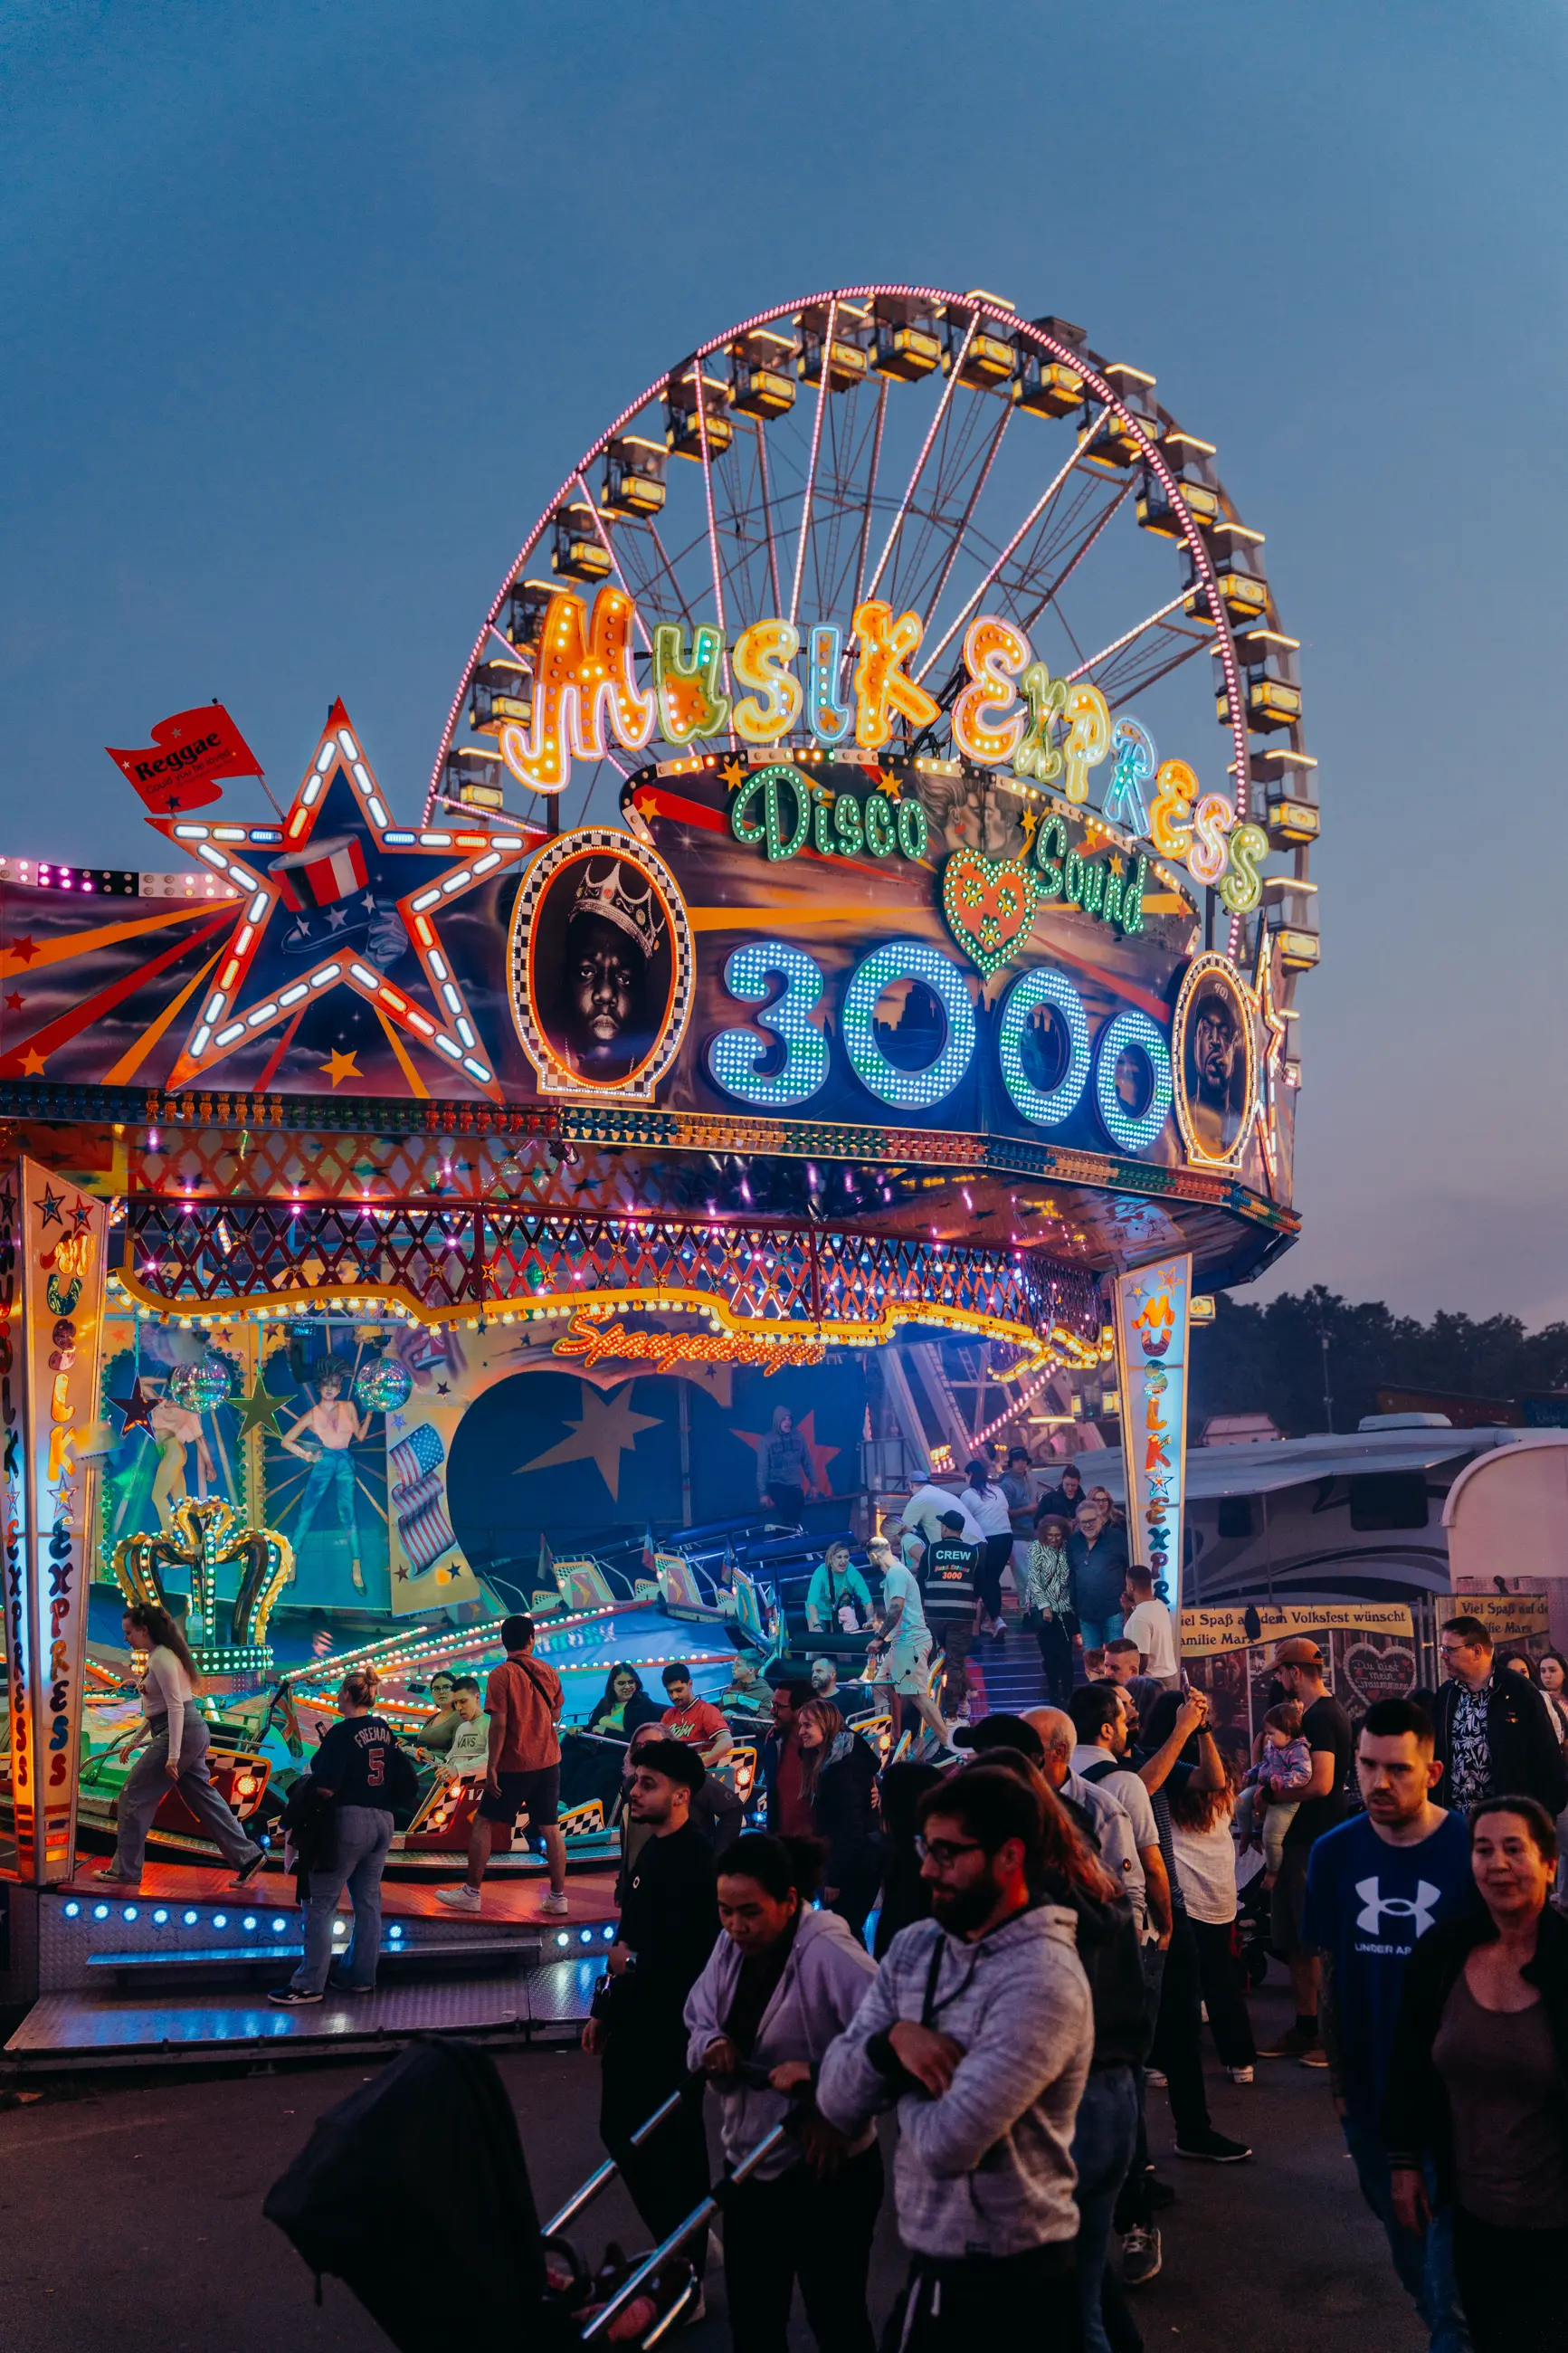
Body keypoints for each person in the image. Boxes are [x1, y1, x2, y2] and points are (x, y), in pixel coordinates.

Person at [817, 1767, 1094, 2350]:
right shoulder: (918, 1947)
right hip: (933, 2267)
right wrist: (893, 2042)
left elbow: (947, 2144)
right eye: (924, 1847)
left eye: (947, 1853)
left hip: (1019, 2281)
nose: (926, 1869)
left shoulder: (1043, 1980)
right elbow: (836, 2100)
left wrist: (885, 2076)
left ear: (1009, 1857)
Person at [1303, 1696, 1475, 2352]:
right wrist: (1340, 2083)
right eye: (1367, 1766)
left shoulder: (1470, 1847)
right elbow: (1334, 1975)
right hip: (1371, 2096)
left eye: (1397, 1769)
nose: (1378, 1783)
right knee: (1410, 2259)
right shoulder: (1333, 1854)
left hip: (1457, 2099)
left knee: (1450, 2281)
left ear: (1431, 1773)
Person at [1385, 1797, 1568, 2350]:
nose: (1498, 1864)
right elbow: (1410, 2063)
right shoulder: (1442, 1953)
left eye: (1515, 1849)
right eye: (1483, 1849)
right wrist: (1404, 2162)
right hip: (1469, 2218)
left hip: (1555, 2228)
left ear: (1550, 1864)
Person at [687, 1834, 881, 2353]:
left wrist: (829, 2099)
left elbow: (889, 2039)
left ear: (790, 1901)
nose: (735, 1926)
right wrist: (714, 2042)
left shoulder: (829, 1952)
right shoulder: (729, 1946)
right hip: (750, 2160)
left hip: (829, 2169)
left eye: (749, 1912)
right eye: (725, 1911)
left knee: (836, 2316)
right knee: (753, 2320)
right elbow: (699, 2011)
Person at [585, 1739, 720, 2293]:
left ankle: (684, 2260)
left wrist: (632, 1964)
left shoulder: (694, 1858)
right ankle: (684, 2242)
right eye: (635, 1780)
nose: (634, 1791)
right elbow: (629, 1933)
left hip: (670, 2030)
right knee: (629, 2133)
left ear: (681, 1795)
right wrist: (604, 2008)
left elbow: (696, 1954)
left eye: (648, 1784)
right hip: (634, 2021)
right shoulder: (654, 1848)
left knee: (665, 2144)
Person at [1131, 1686, 1251, 2163]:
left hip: (1178, 1902)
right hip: (1144, 1909)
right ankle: (1132, 2164)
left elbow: (1212, 1780)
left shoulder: (1150, 1754)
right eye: (1122, 1711)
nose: (1130, 1715)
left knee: (1185, 2012)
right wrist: (1185, 1728)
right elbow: (1139, 1788)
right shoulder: (1119, 1767)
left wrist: (1200, 1731)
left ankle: (1191, 2130)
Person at [96, 1602, 268, 1892]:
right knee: (204, 1799)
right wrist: (136, 1740)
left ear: (144, 1629)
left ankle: (125, 1870)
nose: (125, 1638)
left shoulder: (162, 1659)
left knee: (134, 1796)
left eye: (129, 1632)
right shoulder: (161, 1656)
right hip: (188, 1730)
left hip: (181, 1732)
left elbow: (176, 1707)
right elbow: (159, 1709)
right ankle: (248, 1856)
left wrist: (173, 1756)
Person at [270, 1668, 414, 2005]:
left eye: (339, 1691)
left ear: (347, 1695)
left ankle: (308, 1984)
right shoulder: (384, 1729)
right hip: (383, 1821)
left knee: (320, 1903)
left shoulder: (341, 1732)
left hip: (348, 1821)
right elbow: (402, 1780)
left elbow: (324, 1784)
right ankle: (360, 1976)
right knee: (368, 1902)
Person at [1258, 1635, 1354, 2062]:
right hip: (1307, 1838)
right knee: (1298, 1940)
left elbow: (1323, 1783)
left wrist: (1270, 1796)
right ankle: (1308, 2027)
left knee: (1310, 1940)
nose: (1278, 1680)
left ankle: (1323, 2033)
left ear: (1295, 1673)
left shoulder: (1318, 1718)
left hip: (1310, 1839)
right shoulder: (1317, 1714)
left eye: (1280, 1672)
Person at [436, 1614, 568, 1917]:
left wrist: (492, 1767)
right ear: (531, 1639)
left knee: (483, 1822)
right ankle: (558, 1897)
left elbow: (499, 1726)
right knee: (550, 1827)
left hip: (515, 1763)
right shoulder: (548, 1671)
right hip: (549, 1761)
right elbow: (558, 1714)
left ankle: (471, 1893)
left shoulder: (500, 1675)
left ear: (503, 1641)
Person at [1432, 1615, 1568, 1819]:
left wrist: (1538, 1817)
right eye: (1442, 1649)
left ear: (1477, 1651)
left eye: (1449, 1649)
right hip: (1455, 1823)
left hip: (1507, 1823)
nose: (1443, 1656)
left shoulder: (1519, 1691)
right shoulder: (1447, 1694)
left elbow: (1547, 1759)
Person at [1168, 1763, 1255, 2082]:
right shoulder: (1225, 1796)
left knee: (1175, 1981)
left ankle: (1163, 2063)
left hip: (1182, 1896)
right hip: (1219, 1896)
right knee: (1222, 1978)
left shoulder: (1167, 1793)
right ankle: (1241, 2061)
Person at [554, 857, 666, 1081]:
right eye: (588, 972)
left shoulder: (662, 1069)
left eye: (624, 978)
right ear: (566, 976)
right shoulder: (542, 1044)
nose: (605, 994)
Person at [796, 1700, 882, 1941]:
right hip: (851, 1862)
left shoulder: (843, 1768)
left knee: (844, 1935)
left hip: (855, 1866)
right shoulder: (835, 1754)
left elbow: (850, 1830)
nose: (801, 1731)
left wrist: (835, 1880)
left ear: (826, 1725)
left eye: (807, 1725)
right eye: (800, 1724)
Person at [282, 1362, 370, 1593]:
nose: (330, 1389)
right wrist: (307, 1456)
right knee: (306, 1512)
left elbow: (360, 1436)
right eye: (326, 1385)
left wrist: (369, 1416)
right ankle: (292, 1565)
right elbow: (286, 1440)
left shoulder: (349, 1406)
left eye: (335, 1385)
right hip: (325, 1461)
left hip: (345, 1462)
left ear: (340, 1388)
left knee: (348, 1514)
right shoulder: (312, 1414)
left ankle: (357, 1568)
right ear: (320, 1388)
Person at [865, 1539, 949, 1751]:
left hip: (911, 1641)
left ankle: (947, 1741)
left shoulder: (895, 1573)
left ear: (873, 1556)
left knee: (917, 1695)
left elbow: (897, 1607)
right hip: (902, 1642)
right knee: (880, 1686)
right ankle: (885, 1738)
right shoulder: (896, 1573)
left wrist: (879, 1637)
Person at [1235, 1700, 1312, 1872]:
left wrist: (1282, 1781)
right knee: (1239, 1803)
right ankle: (1245, 1833)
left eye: (1271, 1733)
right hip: (1265, 1785)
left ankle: (1272, 1871)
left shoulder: (1299, 1750)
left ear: (1288, 1733)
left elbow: (1304, 1774)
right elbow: (1265, 1764)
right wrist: (1252, 1773)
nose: (1268, 1737)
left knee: (1271, 1838)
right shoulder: (1272, 1746)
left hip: (1285, 1796)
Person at [923, 1510, 980, 1725]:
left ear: (945, 1528)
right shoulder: (973, 1553)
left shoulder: (931, 1551)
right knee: (955, 1664)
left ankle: (931, 1710)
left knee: (934, 1662)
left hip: (935, 1616)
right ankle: (952, 1715)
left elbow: (921, 1582)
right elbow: (979, 1584)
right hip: (962, 1616)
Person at [1022, 1514, 1079, 1707]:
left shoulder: (1067, 1550)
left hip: (1065, 1609)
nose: (1054, 1539)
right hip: (1044, 1610)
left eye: (1057, 1535)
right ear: (1043, 1534)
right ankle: (1053, 1693)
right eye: (1050, 1535)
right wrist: (1044, 1606)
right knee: (1050, 1655)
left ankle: (1069, 1694)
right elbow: (1034, 1581)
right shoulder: (1036, 1549)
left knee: (1066, 1655)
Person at [959, 1458, 1014, 1640]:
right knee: (992, 1579)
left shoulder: (968, 1494)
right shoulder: (997, 1490)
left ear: (970, 1475)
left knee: (984, 1581)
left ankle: (995, 1620)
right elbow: (1005, 1509)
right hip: (1006, 1538)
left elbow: (962, 1519)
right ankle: (993, 1621)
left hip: (987, 1540)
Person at [1069, 1492, 1130, 1652]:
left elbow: (1130, 1568)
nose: (1087, 1525)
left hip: (1113, 1611)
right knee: (1091, 1661)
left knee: (1117, 1659)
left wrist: (1129, 1605)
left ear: (1101, 1519)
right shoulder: (1073, 1542)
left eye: (1091, 1520)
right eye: (1083, 1522)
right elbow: (1072, 1575)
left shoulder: (1117, 1538)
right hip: (1086, 1613)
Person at [761, 1678, 815, 1837]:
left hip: (818, 1848)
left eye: (779, 1707)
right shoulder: (774, 1741)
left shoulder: (832, 1744)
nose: (772, 1712)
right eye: (773, 1705)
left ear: (801, 1710)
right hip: (783, 1843)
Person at [895, 1476, 984, 1567]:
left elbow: (899, 1529)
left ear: (910, 1485)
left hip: (961, 1551)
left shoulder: (918, 1498)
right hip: (979, 1544)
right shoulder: (940, 1493)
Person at [660, 1663, 735, 1766]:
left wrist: (699, 1766)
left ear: (690, 1684)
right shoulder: (668, 1714)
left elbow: (726, 1741)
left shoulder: (707, 1710)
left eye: (679, 1690)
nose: (674, 1696)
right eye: (670, 1692)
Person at [1120, 1567, 1178, 1691]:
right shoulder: (1159, 1605)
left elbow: (1142, 1656)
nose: (1125, 1588)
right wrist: (1127, 1611)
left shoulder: (1140, 1617)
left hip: (1152, 1682)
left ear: (1131, 1586)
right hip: (1168, 1676)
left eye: (1126, 1584)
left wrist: (1135, 1682)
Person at [756, 1405, 815, 1518]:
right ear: (777, 1421)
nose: (787, 1422)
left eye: (789, 1419)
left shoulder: (799, 1437)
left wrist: (814, 1483)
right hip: (777, 1484)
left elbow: (807, 1461)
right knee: (788, 1510)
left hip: (795, 1485)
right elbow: (762, 1469)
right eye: (784, 1419)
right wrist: (763, 1493)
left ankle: (788, 1534)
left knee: (796, 1511)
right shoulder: (766, 1441)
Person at [804, 1541, 874, 1635]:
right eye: (839, 1557)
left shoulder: (852, 1572)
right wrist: (816, 1624)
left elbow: (867, 1600)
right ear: (831, 1559)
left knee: (842, 1643)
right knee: (818, 1642)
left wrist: (870, 1619)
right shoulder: (821, 1572)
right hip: (819, 1612)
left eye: (846, 1557)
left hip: (840, 1612)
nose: (844, 1561)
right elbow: (812, 1602)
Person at [586, 1661, 662, 1740]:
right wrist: (579, 1729)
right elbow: (590, 1728)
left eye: (631, 1682)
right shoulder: (605, 1701)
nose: (627, 1687)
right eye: (621, 1683)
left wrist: (607, 1732)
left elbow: (641, 1740)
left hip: (621, 1750)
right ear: (612, 1685)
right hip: (595, 1747)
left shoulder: (643, 1704)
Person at [438, 1678, 492, 1777]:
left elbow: (492, 1758)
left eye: (463, 1701)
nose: (458, 1707)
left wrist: (458, 1770)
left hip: (479, 1787)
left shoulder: (490, 1724)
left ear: (477, 1697)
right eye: (455, 1703)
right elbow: (451, 1762)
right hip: (459, 1787)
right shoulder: (461, 1728)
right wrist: (431, 1758)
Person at [417, 1670, 461, 1757]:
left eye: (446, 1687)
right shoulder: (431, 1718)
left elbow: (459, 1755)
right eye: (436, 1688)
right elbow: (421, 1745)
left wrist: (431, 1755)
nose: (441, 1692)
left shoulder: (460, 1717)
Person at [1035, 1459, 1084, 1529]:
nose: (1070, 1488)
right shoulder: (1049, 1499)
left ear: (1078, 1483)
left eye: (1073, 1485)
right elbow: (1037, 1522)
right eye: (1067, 1484)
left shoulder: (1083, 1500)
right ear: (1062, 1480)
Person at [719, 1655, 774, 1719]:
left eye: (738, 1665)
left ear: (751, 1670)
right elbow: (719, 1712)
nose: (732, 1668)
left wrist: (738, 1717)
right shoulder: (730, 1690)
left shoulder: (767, 1694)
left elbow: (765, 1724)